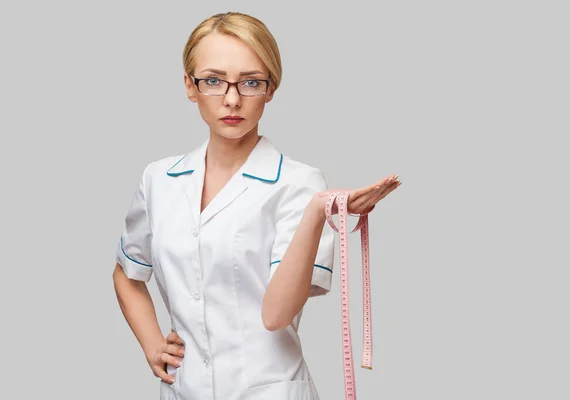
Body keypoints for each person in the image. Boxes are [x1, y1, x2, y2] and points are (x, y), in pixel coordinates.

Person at [113, 11, 401, 400]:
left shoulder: (299, 184)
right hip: (184, 391)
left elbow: (276, 316)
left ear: (271, 88)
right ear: (189, 85)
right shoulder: (158, 179)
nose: (232, 99)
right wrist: (152, 345)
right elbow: (127, 273)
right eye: (213, 81)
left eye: (251, 82)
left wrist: (318, 213)